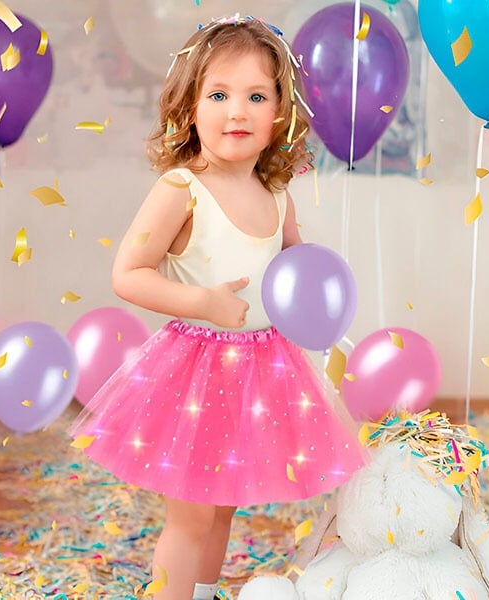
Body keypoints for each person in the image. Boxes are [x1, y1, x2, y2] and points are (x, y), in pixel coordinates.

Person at [69, 15, 366, 600]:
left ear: (279, 112)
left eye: (256, 96)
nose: (238, 112)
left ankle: (203, 593)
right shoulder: (182, 189)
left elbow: (294, 267)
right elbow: (129, 274)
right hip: (197, 373)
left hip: (263, 369)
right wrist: (202, 301)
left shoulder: (277, 193)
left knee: (225, 504)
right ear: (189, 108)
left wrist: (319, 295)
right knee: (192, 515)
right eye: (219, 95)